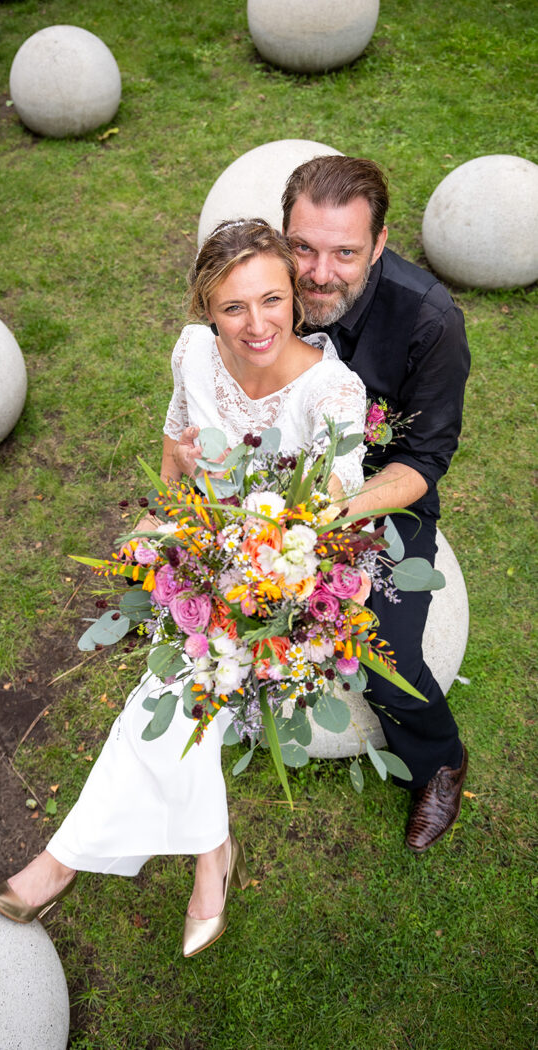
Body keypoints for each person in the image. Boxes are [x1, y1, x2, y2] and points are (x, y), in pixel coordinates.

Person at [0, 218, 366, 955]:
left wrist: (253, 572)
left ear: (295, 296)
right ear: (206, 310)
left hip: (288, 590)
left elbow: (331, 516)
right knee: (183, 690)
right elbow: (174, 444)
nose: (256, 324)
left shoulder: (332, 393)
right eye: (233, 307)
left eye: (272, 300)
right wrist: (172, 514)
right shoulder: (194, 352)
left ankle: (68, 861)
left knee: (171, 695)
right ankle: (208, 856)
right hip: (202, 563)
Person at [277, 154, 471, 853]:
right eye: (302, 247)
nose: (317, 274)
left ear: (380, 243)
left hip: (379, 495)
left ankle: (439, 760)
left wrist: (333, 515)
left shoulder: (429, 320)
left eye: (345, 253)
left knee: (381, 643)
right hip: (276, 471)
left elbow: (424, 460)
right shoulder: (263, 286)